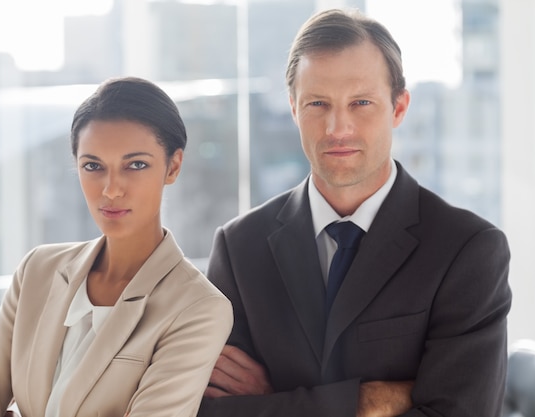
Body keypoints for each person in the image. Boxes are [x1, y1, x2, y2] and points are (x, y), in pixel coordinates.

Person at [198, 8, 512, 417]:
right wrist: (362, 402)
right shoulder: (240, 248)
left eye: (361, 102)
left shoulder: (467, 250)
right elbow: (210, 413)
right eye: (317, 104)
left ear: (399, 108)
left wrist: (273, 400)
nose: (337, 128)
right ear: (294, 108)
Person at [0, 76, 233, 417]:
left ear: (173, 166)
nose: (111, 189)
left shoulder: (198, 308)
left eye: (136, 165)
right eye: (93, 166)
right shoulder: (37, 271)